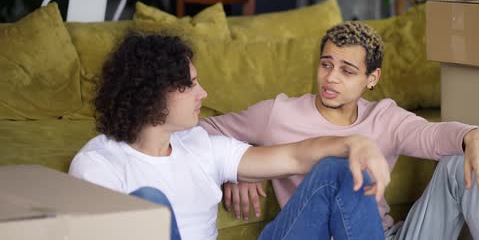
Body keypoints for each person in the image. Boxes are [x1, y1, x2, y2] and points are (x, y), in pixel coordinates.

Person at [200, 21, 479, 239]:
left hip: (379, 235)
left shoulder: (384, 118)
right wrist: (235, 171)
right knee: (341, 166)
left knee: (461, 163)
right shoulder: (278, 113)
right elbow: (203, 129)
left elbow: (432, 137)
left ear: (372, 78)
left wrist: (474, 135)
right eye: (326, 64)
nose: (331, 78)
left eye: (347, 71)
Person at [68, 33, 392, 240]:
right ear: (153, 94)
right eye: (191, 84)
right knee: (150, 202)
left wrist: (354, 143)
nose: (203, 93)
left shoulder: (199, 145)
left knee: (337, 171)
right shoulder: (99, 165)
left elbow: (295, 155)